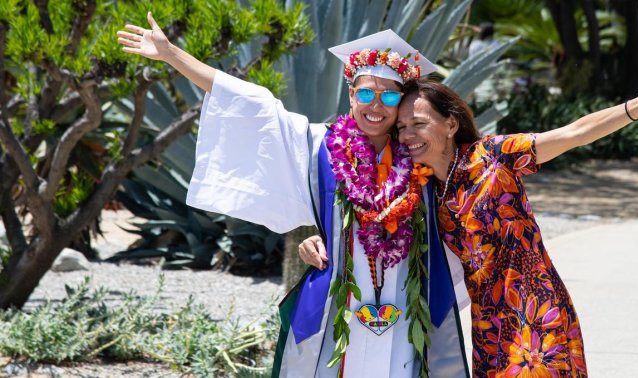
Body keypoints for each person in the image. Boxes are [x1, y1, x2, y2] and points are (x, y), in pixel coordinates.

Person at [117, 12, 471, 378]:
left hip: (406, 301)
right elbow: (254, 105)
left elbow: (479, 170)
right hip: (339, 301)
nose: (375, 105)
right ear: (351, 94)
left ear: (402, 101)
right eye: (365, 92)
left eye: (389, 95)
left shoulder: (420, 154)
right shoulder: (319, 145)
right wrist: (173, 54)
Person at [300, 72, 638, 376]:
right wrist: (318, 237)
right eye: (401, 127)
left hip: (539, 314)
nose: (407, 135)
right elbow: (371, 225)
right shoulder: (420, 193)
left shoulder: (496, 156)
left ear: (450, 124)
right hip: (487, 325)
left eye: (418, 123)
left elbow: (575, 134)